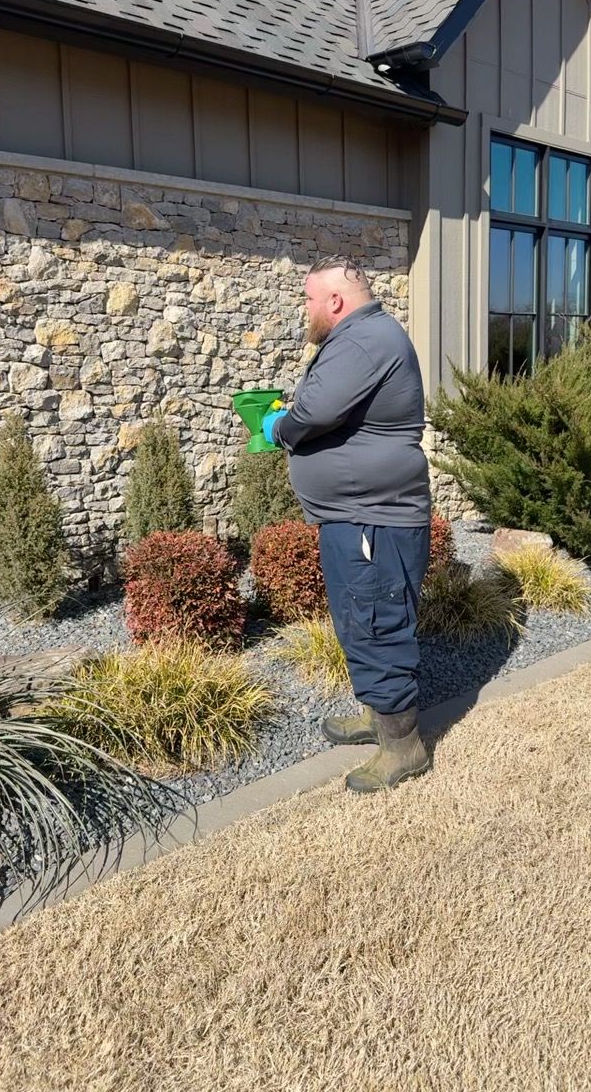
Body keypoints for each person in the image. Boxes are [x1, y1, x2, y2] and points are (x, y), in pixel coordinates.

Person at [261, 255, 432, 794]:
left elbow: (312, 413)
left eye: (310, 299)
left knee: (377, 623)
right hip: (357, 516)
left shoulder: (361, 341)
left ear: (335, 300)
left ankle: (404, 748)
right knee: (361, 620)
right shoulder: (365, 337)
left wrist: (277, 426)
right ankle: (375, 715)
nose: (306, 310)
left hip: (371, 520)